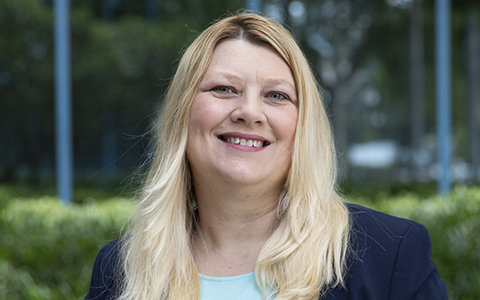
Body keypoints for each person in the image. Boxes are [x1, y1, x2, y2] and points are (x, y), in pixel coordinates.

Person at [85, 12, 448, 300]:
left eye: (276, 96)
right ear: (182, 114)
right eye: (224, 89)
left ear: (303, 126)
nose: (249, 112)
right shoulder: (120, 269)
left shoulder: (389, 255)